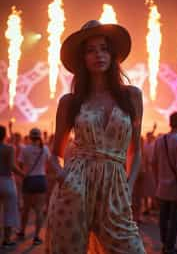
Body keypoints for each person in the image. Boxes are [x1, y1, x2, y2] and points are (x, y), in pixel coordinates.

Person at [45, 20, 145, 254]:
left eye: (103, 48)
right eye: (90, 50)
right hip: (75, 190)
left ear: (112, 54)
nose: (98, 55)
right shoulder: (70, 102)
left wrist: (128, 188)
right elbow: (54, 155)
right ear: (83, 58)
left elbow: (135, 151)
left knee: (132, 248)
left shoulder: (132, 96)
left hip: (116, 190)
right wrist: (64, 178)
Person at [152, 112, 177, 254]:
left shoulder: (159, 140)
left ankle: (165, 245)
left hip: (162, 187)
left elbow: (153, 163)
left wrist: (157, 182)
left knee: (163, 218)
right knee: (175, 220)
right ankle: (170, 247)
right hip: (175, 189)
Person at [17, 128, 50, 245]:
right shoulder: (45, 149)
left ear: (30, 137)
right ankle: (36, 237)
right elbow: (48, 163)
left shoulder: (25, 149)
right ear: (40, 136)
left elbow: (20, 164)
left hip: (29, 179)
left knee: (25, 209)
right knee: (39, 210)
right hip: (41, 179)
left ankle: (22, 232)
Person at [0, 125, 24, 247]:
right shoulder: (10, 148)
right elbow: (12, 166)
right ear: (5, 135)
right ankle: (6, 240)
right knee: (9, 211)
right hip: (7, 181)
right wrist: (24, 174)